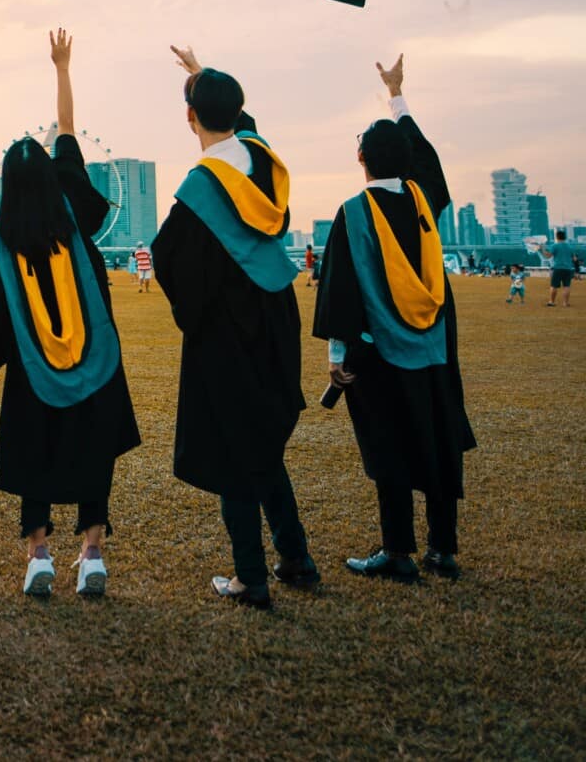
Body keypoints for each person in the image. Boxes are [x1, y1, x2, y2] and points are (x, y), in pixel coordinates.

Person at [0, 30, 140, 598]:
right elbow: (68, 133)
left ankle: (39, 554)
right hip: (94, 359)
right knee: (93, 449)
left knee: (35, 455)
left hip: (32, 367)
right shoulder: (71, 208)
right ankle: (92, 553)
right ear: (49, 176)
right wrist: (62, 69)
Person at [151, 44, 315, 610]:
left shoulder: (200, 189)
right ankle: (295, 557)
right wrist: (201, 77)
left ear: (189, 117)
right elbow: (241, 123)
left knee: (232, 449)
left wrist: (194, 318)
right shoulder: (264, 160)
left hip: (227, 330)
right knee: (263, 444)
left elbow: (169, 258)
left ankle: (251, 578)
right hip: (277, 312)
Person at [314, 54, 477, 583]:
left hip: (379, 353)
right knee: (437, 439)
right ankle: (444, 550)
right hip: (433, 350)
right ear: (406, 161)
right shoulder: (424, 201)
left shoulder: (354, 212)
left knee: (389, 446)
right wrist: (397, 94)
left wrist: (337, 355)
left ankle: (399, 553)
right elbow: (426, 161)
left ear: (360, 156)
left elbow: (341, 290)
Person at [546, 231, 575, 308]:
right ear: (565, 237)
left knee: (554, 286)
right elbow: (574, 258)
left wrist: (542, 249)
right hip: (568, 269)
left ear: (557, 237)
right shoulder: (570, 247)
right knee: (566, 286)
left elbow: (548, 256)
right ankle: (565, 303)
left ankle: (552, 302)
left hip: (558, 268)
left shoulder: (555, 246)